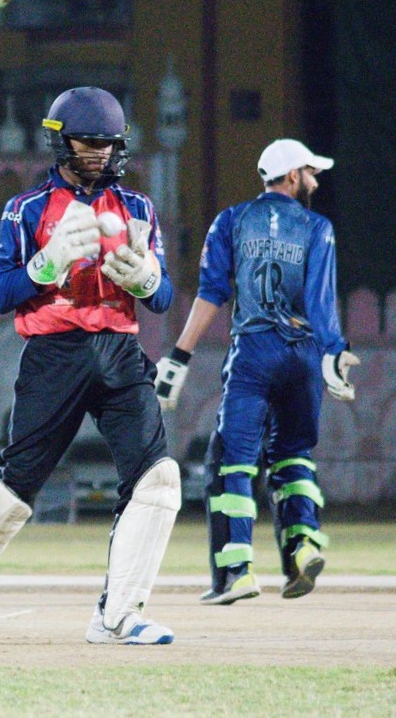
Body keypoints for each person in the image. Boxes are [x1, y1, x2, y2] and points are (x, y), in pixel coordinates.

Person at [0, 87, 181, 645]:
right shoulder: (27, 209)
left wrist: (146, 278)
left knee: (157, 479)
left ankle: (119, 614)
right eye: (89, 143)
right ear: (61, 142)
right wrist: (45, 263)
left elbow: (162, 299)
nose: (102, 154)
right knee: (19, 481)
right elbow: (0, 294)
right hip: (54, 352)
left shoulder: (138, 208)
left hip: (119, 351)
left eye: (110, 144)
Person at [154, 138, 360, 605]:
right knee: (293, 455)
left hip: (253, 351)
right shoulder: (317, 227)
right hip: (304, 354)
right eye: (311, 173)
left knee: (232, 461)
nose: (315, 181)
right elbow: (321, 301)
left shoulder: (230, 220)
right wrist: (334, 351)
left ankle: (237, 572)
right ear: (293, 176)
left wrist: (180, 356)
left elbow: (212, 292)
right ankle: (303, 544)